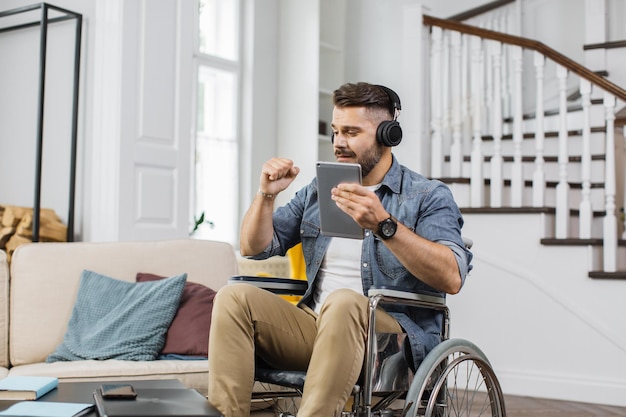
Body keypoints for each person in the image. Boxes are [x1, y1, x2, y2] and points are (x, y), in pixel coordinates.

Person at [208, 82, 472, 417]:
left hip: (388, 343)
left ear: (387, 134)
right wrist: (267, 195)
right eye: (334, 131)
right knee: (233, 298)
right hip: (318, 329)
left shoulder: (426, 196)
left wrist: (384, 226)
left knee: (344, 302)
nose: (338, 143)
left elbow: (451, 276)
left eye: (350, 132)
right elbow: (253, 247)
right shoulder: (321, 190)